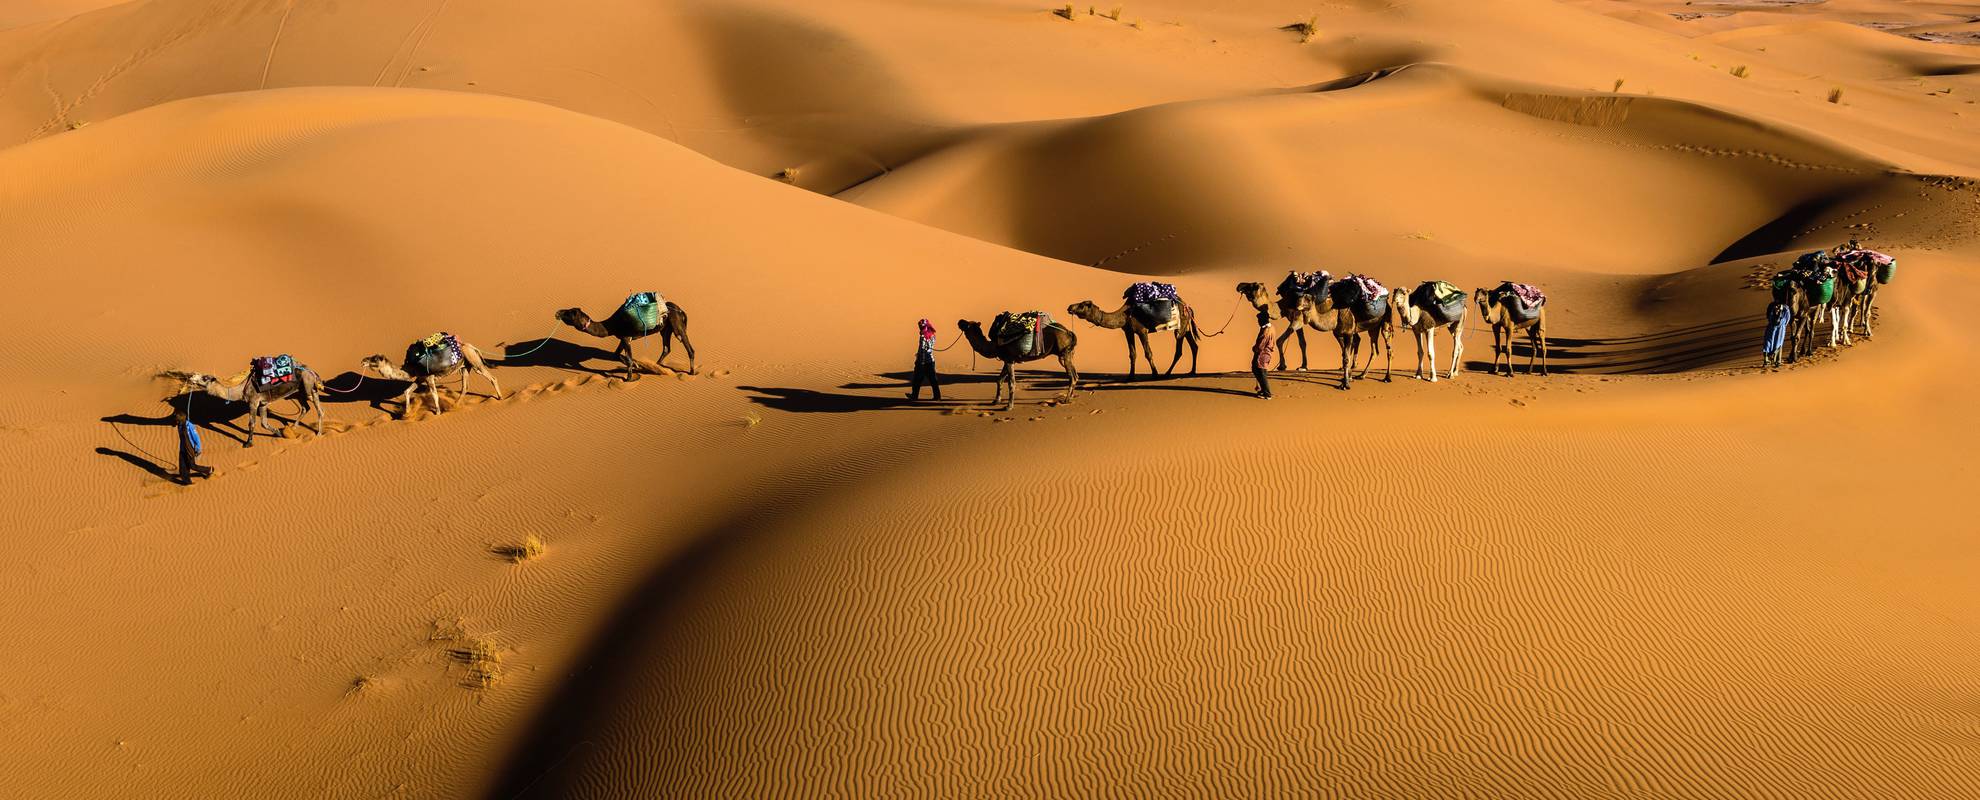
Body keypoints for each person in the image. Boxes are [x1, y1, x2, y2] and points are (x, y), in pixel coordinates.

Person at [174, 406, 213, 484]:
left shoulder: (190, 426)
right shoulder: (179, 425)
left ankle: (209, 470)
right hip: (182, 449)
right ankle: (187, 482)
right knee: (182, 468)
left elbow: (196, 438)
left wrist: (198, 449)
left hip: (190, 449)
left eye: (177, 420)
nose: (176, 422)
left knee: (192, 466)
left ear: (181, 420)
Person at [907, 318, 942, 401]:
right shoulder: (933, 335)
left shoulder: (923, 336)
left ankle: (914, 396)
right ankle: (937, 396)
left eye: (921, 327)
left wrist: (921, 362)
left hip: (922, 362)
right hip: (931, 360)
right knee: (933, 380)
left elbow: (922, 350)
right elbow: (929, 347)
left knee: (917, 380)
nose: (920, 328)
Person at [1251, 310, 1276, 399]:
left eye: (1259, 320)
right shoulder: (1271, 327)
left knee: (1260, 372)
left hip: (1262, 354)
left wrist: (1254, 348)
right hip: (1266, 353)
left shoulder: (1266, 331)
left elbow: (1261, 345)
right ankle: (1263, 390)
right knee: (1260, 371)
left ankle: (1267, 393)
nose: (1258, 322)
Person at [1762, 300, 1790, 368]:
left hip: (1780, 329)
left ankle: (1777, 362)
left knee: (1778, 344)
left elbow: (1787, 318)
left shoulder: (1785, 308)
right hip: (1772, 328)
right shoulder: (1772, 306)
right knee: (1767, 344)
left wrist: (1782, 308)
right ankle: (1767, 361)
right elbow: (1769, 316)